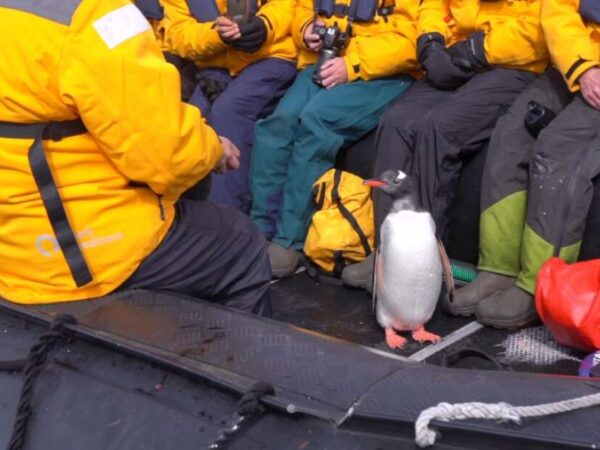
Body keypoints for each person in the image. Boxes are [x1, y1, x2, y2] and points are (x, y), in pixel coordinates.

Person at [0, 0, 271, 316]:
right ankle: (224, 361)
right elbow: (167, 157)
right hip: (73, 255)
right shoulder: (94, 16)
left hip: (11, 244)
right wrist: (213, 148)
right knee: (241, 242)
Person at [342, 0, 550, 292]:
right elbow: (433, 5)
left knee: (440, 127)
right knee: (396, 121)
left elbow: (540, 30)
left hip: (511, 61)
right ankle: (388, 252)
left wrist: (479, 50)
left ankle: (419, 262)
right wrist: (431, 42)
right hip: (458, 53)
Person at [446, 0, 600, 329]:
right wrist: (583, 66)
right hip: (576, 57)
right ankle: (498, 271)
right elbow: (558, 8)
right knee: (511, 134)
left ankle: (538, 286)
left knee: (558, 149)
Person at [250, 0, 420, 278]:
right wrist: (305, 30)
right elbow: (302, 9)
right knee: (278, 124)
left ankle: (288, 240)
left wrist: (353, 63)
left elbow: (411, 40)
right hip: (326, 61)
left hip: (384, 74)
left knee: (318, 120)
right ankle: (260, 230)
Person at [162, 0, 298, 210]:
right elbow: (177, 35)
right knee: (193, 118)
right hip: (216, 65)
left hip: (271, 57)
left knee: (228, 111)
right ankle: (189, 218)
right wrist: (216, 34)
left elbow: (288, 5)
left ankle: (230, 220)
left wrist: (264, 25)